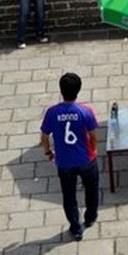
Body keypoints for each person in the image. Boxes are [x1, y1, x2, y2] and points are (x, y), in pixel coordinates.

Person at [40, 72, 99, 242]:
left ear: (61, 90)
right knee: (92, 189)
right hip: (86, 159)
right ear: (78, 90)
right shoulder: (85, 111)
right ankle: (90, 217)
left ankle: (75, 227)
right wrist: (93, 150)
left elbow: (44, 137)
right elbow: (94, 136)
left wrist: (48, 151)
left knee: (69, 195)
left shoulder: (52, 112)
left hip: (64, 162)